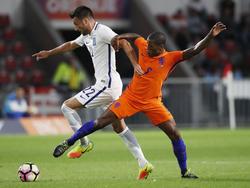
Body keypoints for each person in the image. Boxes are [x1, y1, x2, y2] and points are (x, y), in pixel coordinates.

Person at [53, 22, 226, 178]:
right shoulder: (144, 45)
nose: (147, 48)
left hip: (153, 102)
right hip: (130, 97)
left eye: (152, 47)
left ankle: (185, 171)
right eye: (148, 45)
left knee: (175, 134)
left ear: (161, 47)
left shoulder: (171, 58)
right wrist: (120, 36)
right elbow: (136, 37)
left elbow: (195, 49)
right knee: (100, 121)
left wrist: (210, 35)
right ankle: (69, 142)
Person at [32, 6, 152, 180]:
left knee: (67, 106)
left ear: (86, 20)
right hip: (109, 85)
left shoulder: (103, 31)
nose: (75, 27)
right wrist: (49, 53)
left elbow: (124, 42)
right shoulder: (87, 35)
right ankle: (144, 163)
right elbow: (71, 44)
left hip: (107, 85)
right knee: (119, 127)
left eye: (76, 24)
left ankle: (84, 143)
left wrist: (135, 65)